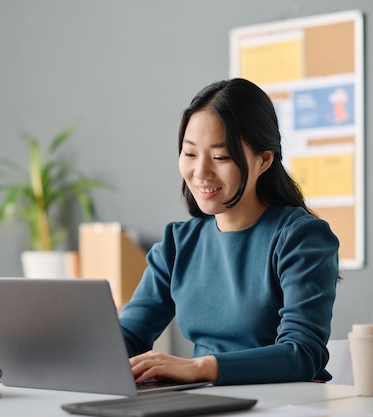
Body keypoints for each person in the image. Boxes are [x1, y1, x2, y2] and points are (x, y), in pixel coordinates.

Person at [119, 78, 339, 386]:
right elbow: (129, 335)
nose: (200, 172)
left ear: (263, 160)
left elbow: (302, 354)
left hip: (281, 405)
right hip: (201, 400)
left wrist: (197, 368)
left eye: (220, 157)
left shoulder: (300, 237)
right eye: (190, 154)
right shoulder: (177, 244)